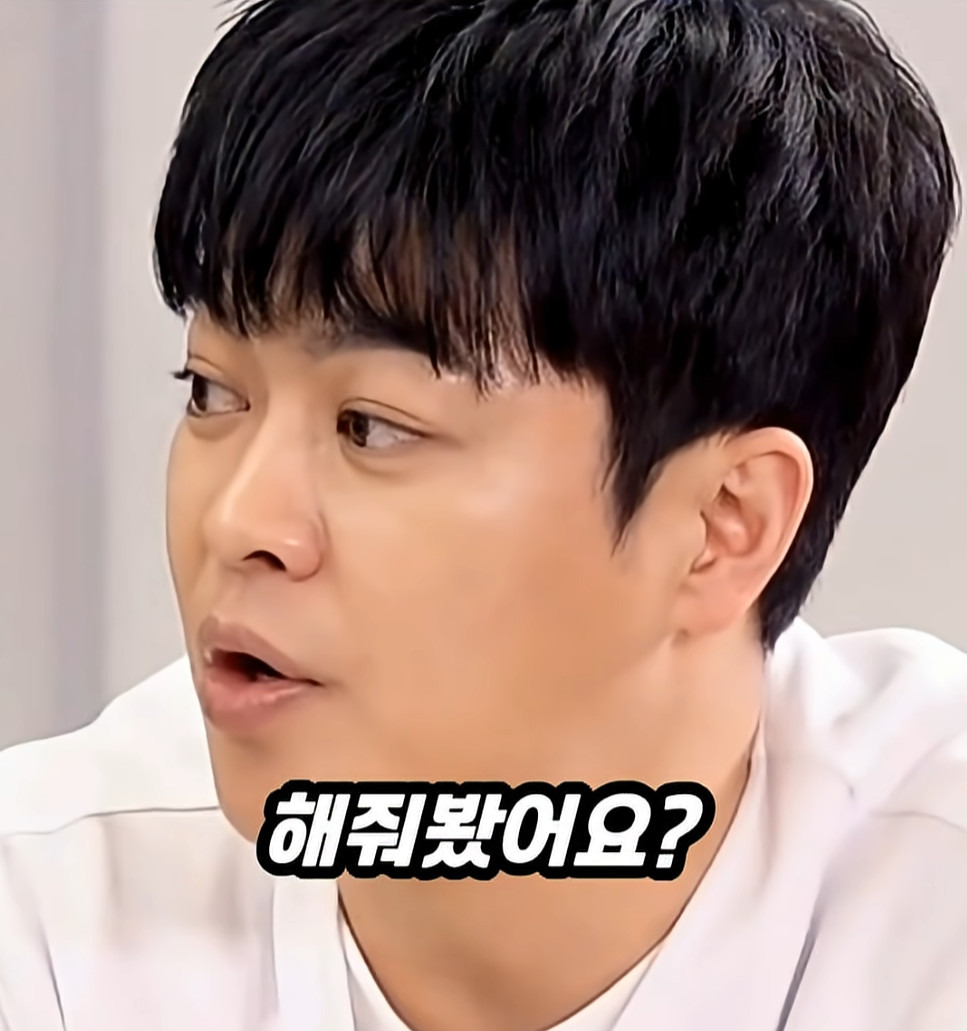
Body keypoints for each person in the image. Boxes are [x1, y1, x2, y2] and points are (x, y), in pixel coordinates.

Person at [1, 0, 964, 1028]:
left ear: (721, 525)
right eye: (210, 392)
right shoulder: (50, 906)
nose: (238, 522)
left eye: (372, 426)